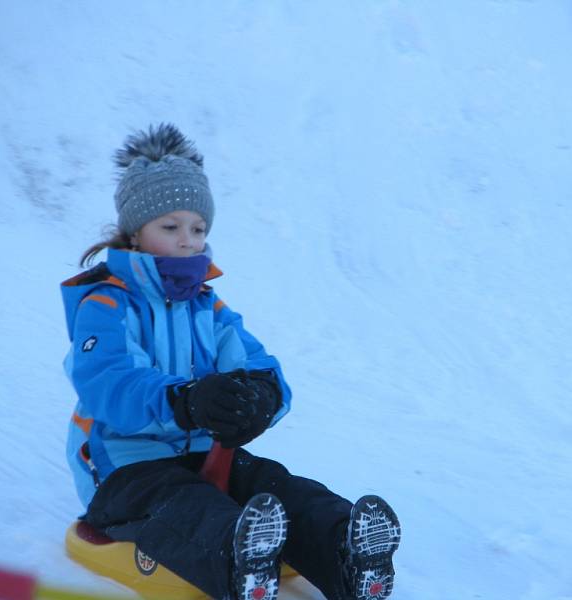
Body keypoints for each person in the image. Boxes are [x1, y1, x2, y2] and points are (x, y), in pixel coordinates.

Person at [60, 123, 401, 600]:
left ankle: (348, 550)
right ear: (136, 233)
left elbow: (258, 364)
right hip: (124, 470)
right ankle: (241, 565)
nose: (187, 241)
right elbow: (109, 383)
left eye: (198, 228)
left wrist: (260, 396)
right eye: (171, 227)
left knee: (272, 483)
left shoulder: (207, 306)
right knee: (183, 503)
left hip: (204, 455)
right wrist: (185, 401)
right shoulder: (107, 304)